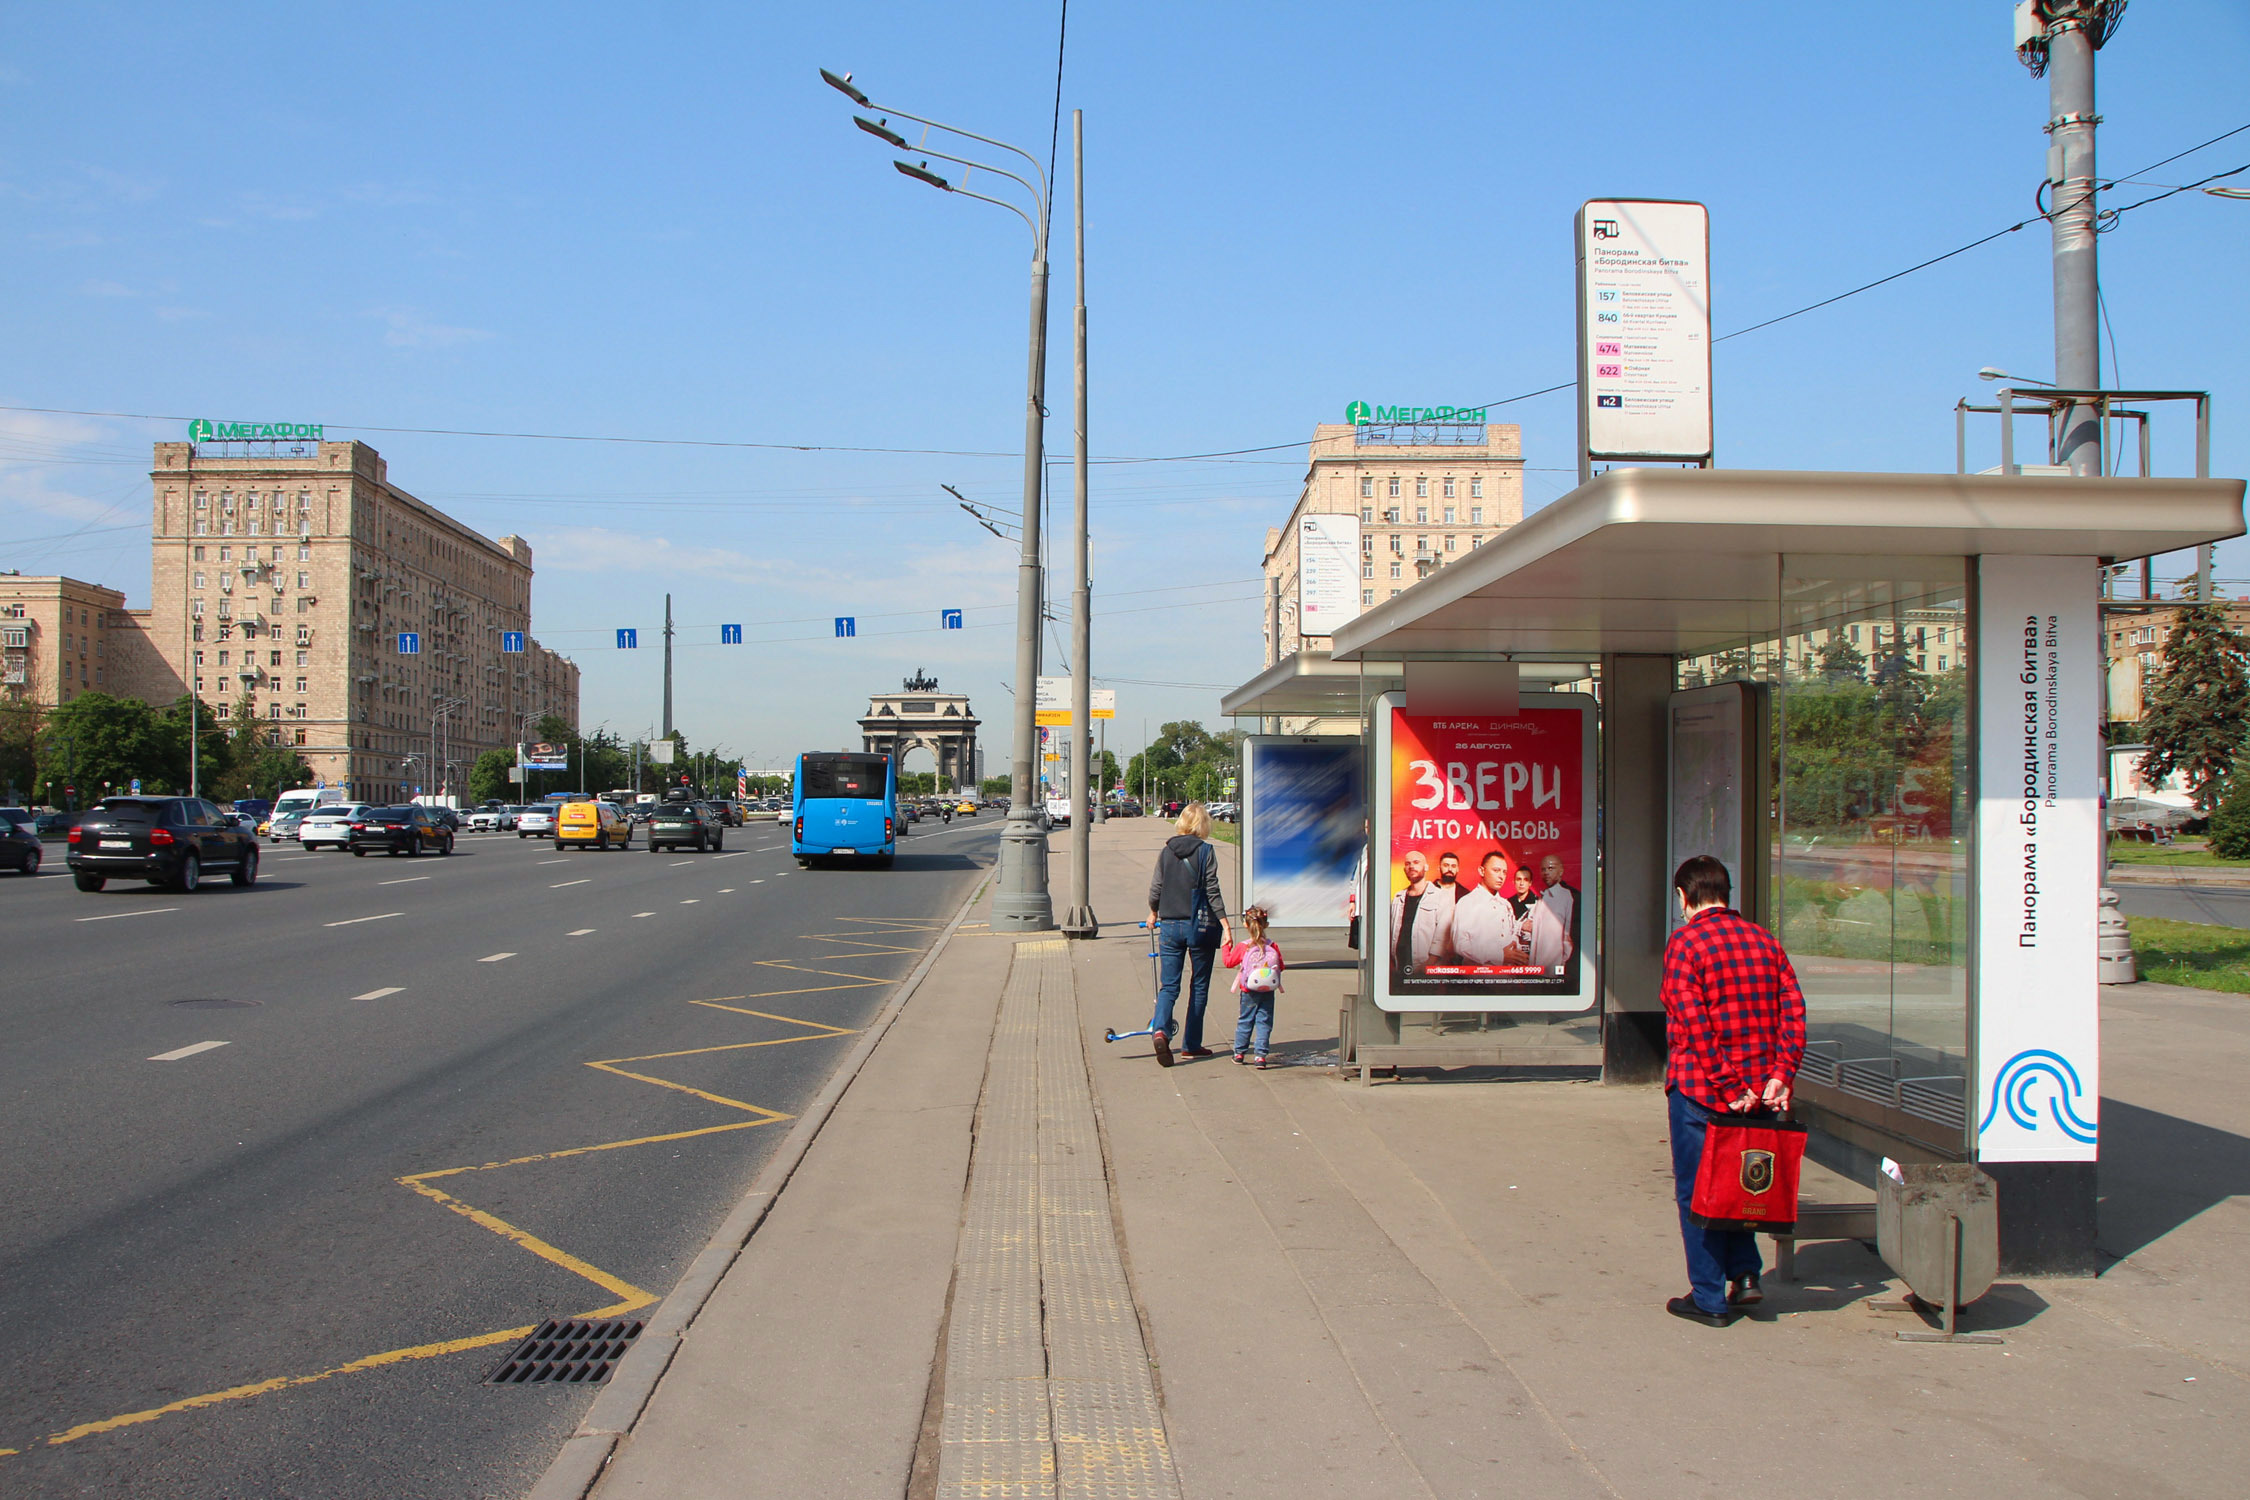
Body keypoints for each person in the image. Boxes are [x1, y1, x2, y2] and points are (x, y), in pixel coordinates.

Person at [1660, 854, 1806, 1327]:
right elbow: (1794, 1010)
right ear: (1727, 892)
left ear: (1684, 895)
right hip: (1761, 1093)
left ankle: (1708, 1297)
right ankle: (1745, 1275)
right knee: (1742, 1187)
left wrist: (1727, 1085)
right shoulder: (1765, 940)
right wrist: (1780, 1074)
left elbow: (1692, 1021)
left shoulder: (1686, 942)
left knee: (1698, 1193)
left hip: (1703, 1090)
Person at [1147, 801, 1232, 1066]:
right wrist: (1226, 925)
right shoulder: (1206, 851)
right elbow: (1212, 890)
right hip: (1200, 925)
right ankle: (1191, 1044)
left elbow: (1156, 888)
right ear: (1203, 824)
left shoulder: (1166, 851)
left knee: (1169, 985)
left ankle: (1160, 1029)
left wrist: (1153, 912)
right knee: (1199, 985)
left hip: (1170, 926)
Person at [1223, 904, 1285, 1068]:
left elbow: (1228, 962)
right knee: (1264, 1021)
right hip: (1268, 990)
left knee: (1245, 1020)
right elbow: (1281, 966)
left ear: (1246, 924)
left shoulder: (1244, 946)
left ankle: (1239, 1053)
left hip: (1248, 990)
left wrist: (1225, 945)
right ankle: (1260, 1056)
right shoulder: (1273, 946)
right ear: (1266, 924)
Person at [1388, 850, 1454, 987]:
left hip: (1427, 972)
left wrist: (1428, 965)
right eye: (1408, 864)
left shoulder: (1441, 897)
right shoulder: (1398, 898)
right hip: (1398, 969)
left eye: (1416, 862)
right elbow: (1390, 933)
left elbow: (1443, 936)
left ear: (1426, 867)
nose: (1412, 866)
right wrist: (1390, 965)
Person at [1448, 850, 1521, 966]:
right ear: (1482, 871)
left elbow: (1512, 934)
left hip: (1506, 977)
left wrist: (1514, 945)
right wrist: (1499, 956)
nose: (1501, 876)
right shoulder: (1466, 902)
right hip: (1478, 979)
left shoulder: (1506, 905)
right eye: (1496, 870)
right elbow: (1460, 945)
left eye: (1504, 872)